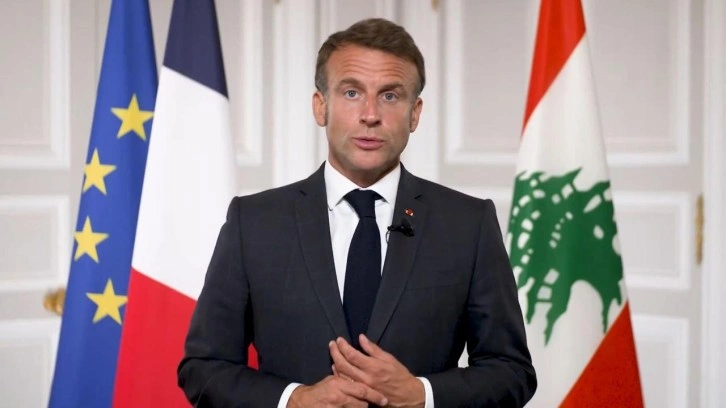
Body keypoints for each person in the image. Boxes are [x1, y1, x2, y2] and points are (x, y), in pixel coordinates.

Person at [178, 18, 536, 407]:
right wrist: (294, 400)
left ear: (415, 114)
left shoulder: (467, 224)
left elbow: (511, 371)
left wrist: (422, 394)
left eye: (390, 96)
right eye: (351, 93)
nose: (370, 115)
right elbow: (203, 368)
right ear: (321, 106)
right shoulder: (255, 222)